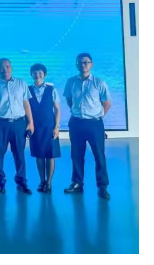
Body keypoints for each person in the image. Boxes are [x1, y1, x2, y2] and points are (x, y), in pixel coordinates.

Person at [63, 53, 112, 200]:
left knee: (99, 155)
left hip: (94, 124)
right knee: (76, 155)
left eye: (86, 62)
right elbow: (69, 100)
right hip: (76, 123)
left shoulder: (99, 83)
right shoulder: (71, 82)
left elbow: (107, 103)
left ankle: (102, 186)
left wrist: (97, 116)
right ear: (76, 64)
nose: (83, 64)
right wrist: (78, 113)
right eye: (80, 62)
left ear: (91, 64)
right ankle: (77, 183)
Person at [0, 58, 35, 194]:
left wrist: (30, 122)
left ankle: (21, 182)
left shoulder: (21, 83)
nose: (5, 69)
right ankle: (0, 182)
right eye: (1, 67)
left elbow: (26, 103)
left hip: (19, 124)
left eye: (7, 66)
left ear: (12, 68)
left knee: (19, 154)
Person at [28, 63, 61, 194]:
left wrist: (56, 127)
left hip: (49, 127)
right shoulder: (27, 90)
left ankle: (49, 182)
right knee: (39, 155)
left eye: (40, 73)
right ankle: (42, 181)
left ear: (45, 74)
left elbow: (57, 110)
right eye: (35, 73)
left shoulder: (51, 89)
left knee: (50, 155)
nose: (37, 75)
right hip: (35, 128)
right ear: (31, 75)